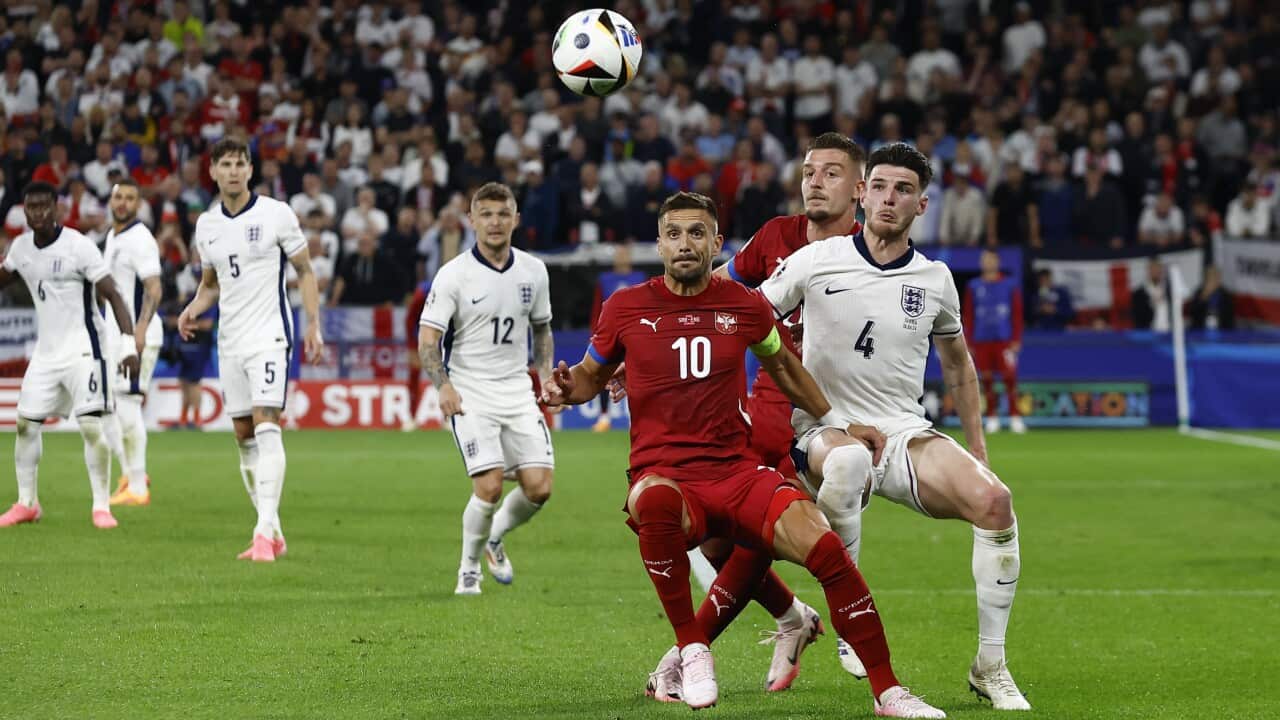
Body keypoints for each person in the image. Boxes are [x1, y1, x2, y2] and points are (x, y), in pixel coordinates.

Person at [541, 191, 944, 718]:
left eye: (697, 233)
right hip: (666, 475)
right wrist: (564, 390)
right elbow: (590, 379)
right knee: (654, 500)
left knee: (826, 551)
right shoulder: (626, 307)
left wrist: (840, 424)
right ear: (660, 244)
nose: (685, 244)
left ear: (716, 242)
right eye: (674, 234)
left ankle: (889, 692)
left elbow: (785, 370)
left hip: (736, 472)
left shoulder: (744, 304)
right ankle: (693, 648)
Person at [758, 143, 1031, 710]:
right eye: (879, 186)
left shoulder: (934, 279)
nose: (888, 198)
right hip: (823, 430)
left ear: (921, 204)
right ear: (862, 193)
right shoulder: (818, 258)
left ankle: (991, 665)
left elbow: (958, 365)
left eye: (902, 190)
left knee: (996, 503)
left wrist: (977, 447)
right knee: (850, 460)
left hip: (902, 431)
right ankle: (849, 610)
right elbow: (747, 318)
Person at [713, 131, 867, 680]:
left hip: (830, 418)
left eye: (830, 172)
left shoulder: (870, 251)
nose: (815, 182)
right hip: (766, 410)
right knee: (710, 534)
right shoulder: (777, 235)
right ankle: (790, 617)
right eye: (808, 172)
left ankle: (687, 650)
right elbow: (716, 291)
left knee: (759, 530)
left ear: (860, 188)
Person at [177, 137, 325, 562]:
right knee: (243, 436)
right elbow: (210, 285)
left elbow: (305, 271)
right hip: (231, 341)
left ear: (250, 169)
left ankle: (261, 533)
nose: (234, 171)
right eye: (226, 164)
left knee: (266, 426)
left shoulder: (277, 214)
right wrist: (192, 309)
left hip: (269, 337)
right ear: (213, 172)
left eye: (241, 163)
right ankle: (273, 529)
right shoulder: (207, 226)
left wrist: (314, 323)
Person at [418, 182, 556, 595]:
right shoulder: (454, 275)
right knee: (490, 485)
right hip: (471, 393)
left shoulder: (534, 271)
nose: (495, 222)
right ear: (472, 220)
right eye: (487, 214)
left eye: (503, 214)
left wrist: (545, 376)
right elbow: (429, 338)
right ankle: (468, 570)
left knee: (540, 487)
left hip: (516, 391)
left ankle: (494, 536)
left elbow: (543, 329)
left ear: (515, 220)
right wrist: (442, 385)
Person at [0, 181, 140, 529]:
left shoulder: (79, 246)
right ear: (24, 212)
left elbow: (114, 295)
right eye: (32, 207)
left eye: (46, 206)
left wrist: (127, 344)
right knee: (24, 425)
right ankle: (27, 503)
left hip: (85, 350)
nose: (39, 213)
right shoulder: (21, 248)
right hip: (46, 354)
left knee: (91, 427)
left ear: (57, 208)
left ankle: (101, 506)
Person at [100, 179, 165, 506]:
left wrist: (139, 331)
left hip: (137, 336)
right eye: (118, 197)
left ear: (138, 204)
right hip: (114, 335)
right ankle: (131, 474)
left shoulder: (141, 239)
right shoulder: (112, 236)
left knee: (127, 407)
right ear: (110, 201)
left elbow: (153, 288)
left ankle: (138, 487)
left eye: (130, 198)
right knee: (105, 410)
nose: (123, 203)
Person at [966, 249, 1026, 435]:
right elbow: (968, 315)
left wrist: (1016, 339)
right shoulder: (974, 286)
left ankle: (1015, 417)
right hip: (982, 339)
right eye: (984, 260)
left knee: (1009, 378)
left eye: (991, 259)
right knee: (986, 379)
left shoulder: (1009, 285)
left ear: (998, 262)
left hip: (1004, 339)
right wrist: (968, 341)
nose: (988, 263)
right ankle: (992, 417)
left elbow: (1017, 314)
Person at [589, 243, 645, 432]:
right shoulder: (605, 279)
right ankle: (604, 417)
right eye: (618, 254)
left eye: (624, 254)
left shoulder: (639, 278)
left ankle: (636, 418)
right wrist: (595, 333)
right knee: (604, 375)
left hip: (635, 336)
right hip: (610, 336)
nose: (621, 258)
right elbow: (597, 307)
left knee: (637, 376)